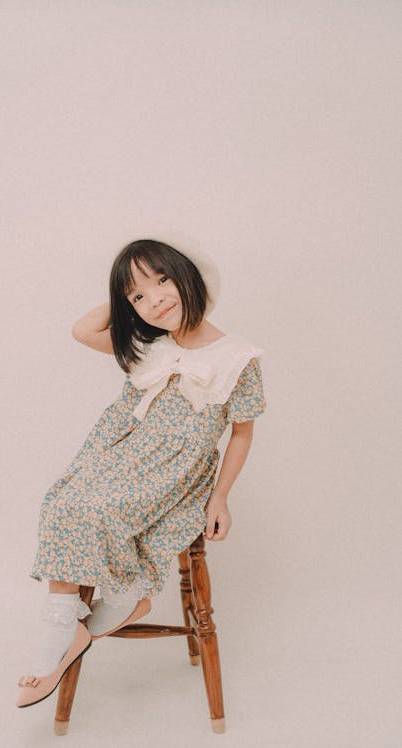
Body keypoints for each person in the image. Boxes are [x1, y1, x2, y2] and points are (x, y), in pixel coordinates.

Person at [16, 235, 267, 708]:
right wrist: (124, 296)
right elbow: (82, 330)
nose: (154, 300)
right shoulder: (150, 343)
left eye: (164, 280)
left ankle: (112, 605)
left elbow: (241, 433)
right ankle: (65, 621)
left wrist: (220, 497)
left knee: (97, 511)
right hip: (116, 454)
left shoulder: (238, 358)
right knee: (64, 502)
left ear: (190, 274)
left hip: (172, 471)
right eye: (137, 295)